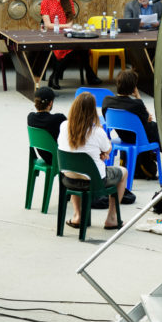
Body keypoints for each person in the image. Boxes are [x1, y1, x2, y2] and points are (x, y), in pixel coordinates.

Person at [58, 92, 125, 230]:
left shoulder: (64, 126)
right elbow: (108, 147)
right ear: (92, 111)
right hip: (94, 182)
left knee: (76, 167)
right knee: (123, 172)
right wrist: (104, 153)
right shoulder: (97, 132)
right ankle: (112, 218)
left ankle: (77, 216)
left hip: (68, 179)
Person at [40, 0, 101, 89]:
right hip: (53, 35)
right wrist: (65, 26)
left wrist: (66, 26)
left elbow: (71, 23)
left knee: (81, 46)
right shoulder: (46, 2)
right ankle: (89, 75)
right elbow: (48, 25)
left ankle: (55, 77)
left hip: (67, 33)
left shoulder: (68, 1)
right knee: (75, 48)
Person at [102, 68, 160, 180]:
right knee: (158, 130)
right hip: (139, 139)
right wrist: (138, 96)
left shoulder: (107, 102)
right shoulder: (136, 105)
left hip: (123, 137)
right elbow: (148, 118)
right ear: (133, 88)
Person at [28, 86, 66, 162]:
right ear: (50, 103)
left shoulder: (30, 117)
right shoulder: (58, 118)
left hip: (45, 157)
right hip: (59, 158)